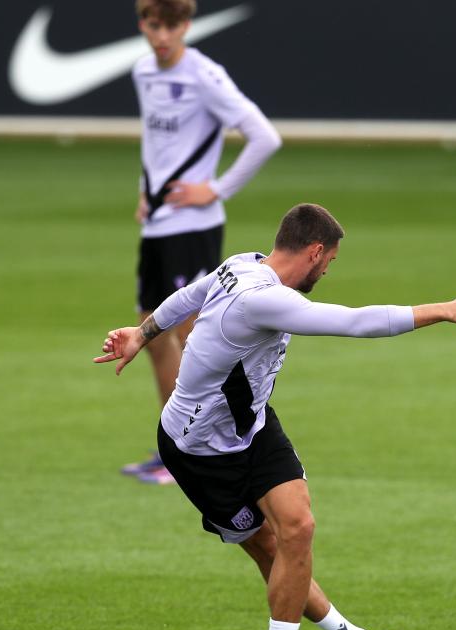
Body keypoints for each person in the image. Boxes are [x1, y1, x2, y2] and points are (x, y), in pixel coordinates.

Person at [95, 204, 456, 630]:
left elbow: (188, 295)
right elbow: (356, 322)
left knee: (299, 527)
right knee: (270, 550)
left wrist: (142, 334)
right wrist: (444, 309)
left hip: (253, 423)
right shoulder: (262, 300)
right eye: (330, 260)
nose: (328, 270)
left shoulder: (243, 262)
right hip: (200, 450)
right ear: (314, 252)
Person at [124, 0, 282, 484]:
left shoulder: (204, 76)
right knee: (150, 334)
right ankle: (171, 450)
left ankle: (202, 449)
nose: (162, 36)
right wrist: (146, 190)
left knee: (193, 338)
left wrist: (215, 188)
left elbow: (264, 136)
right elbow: (157, 145)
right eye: (154, 25)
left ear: (187, 25)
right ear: (142, 23)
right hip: (157, 226)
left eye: (172, 26)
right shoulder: (142, 72)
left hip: (193, 228)